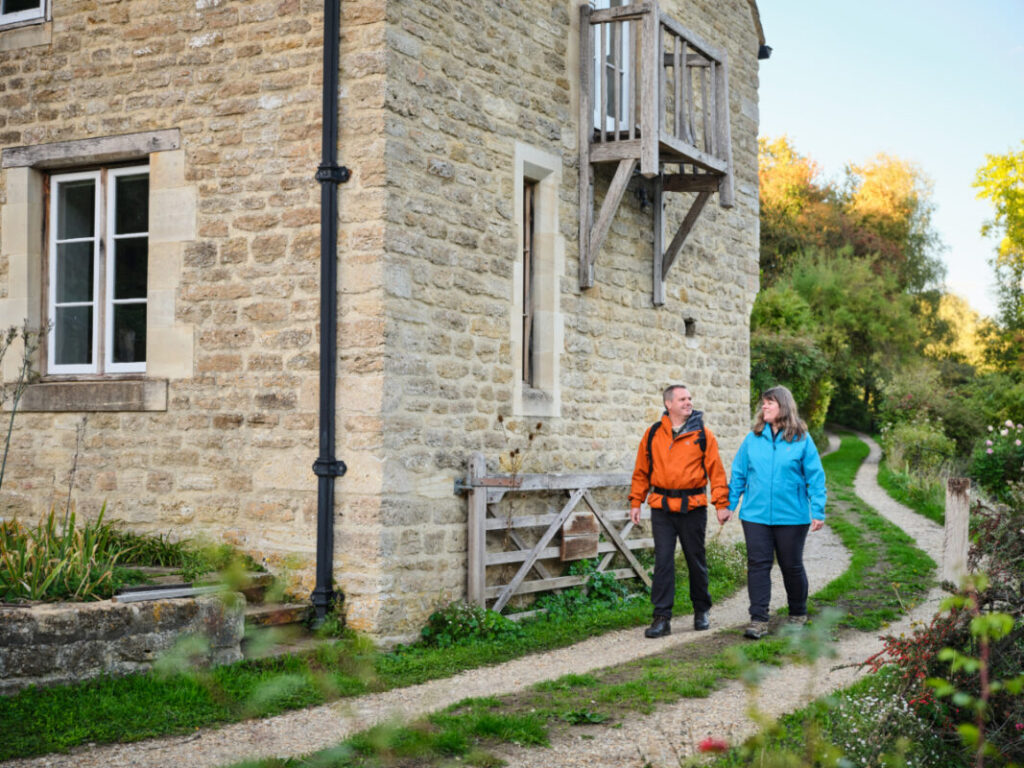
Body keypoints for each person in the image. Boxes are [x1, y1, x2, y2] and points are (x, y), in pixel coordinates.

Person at [721, 385, 827, 640]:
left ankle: (798, 614)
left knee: (791, 566)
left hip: (792, 516)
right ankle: (758, 620)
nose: (764, 407)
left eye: (770, 402)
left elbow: (816, 476)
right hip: (755, 515)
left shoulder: (802, 439)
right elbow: (738, 474)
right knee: (758, 565)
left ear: (784, 406)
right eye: (763, 403)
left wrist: (818, 510)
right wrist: (728, 505)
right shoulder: (752, 438)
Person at [629, 385, 730, 638]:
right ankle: (662, 618)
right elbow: (642, 470)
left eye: (690, 398)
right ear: (668, 404)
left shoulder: (704, 435)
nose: (688, 402)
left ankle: (701, 610)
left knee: (695, 560)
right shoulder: (653, 434)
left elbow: (716, 472)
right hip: (662, 508)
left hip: (692, 508)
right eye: (682, 399)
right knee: (663, 562)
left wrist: (721, 504)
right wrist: (635, 501)